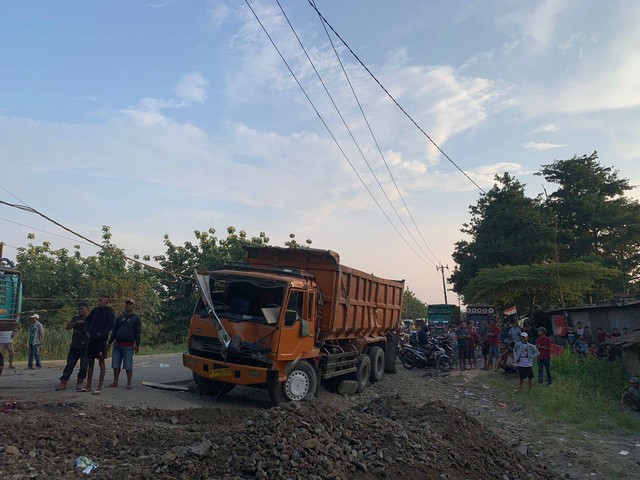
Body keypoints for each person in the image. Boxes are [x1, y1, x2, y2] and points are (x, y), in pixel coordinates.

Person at [56, 302, 91, 391]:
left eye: (82, 309)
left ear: (87, 309)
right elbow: (67, 326)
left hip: (86, 346)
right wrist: (76, 323)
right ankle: (63, 382)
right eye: (79, 309)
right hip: (75, 345)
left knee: (84, 366)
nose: (80, 310)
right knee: (69, 365)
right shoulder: (76, 318)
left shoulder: (91, 319)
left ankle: (80, 382)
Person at [107, 299, 141, 390]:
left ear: (133, 306)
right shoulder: (120, 317)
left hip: (128, 345)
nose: (128, 306)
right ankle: (115, 381)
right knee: (115, 364)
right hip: (117, 344)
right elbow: (114, 331)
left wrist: (137, 344)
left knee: (128, 364)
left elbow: (138, 332)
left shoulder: (136, 319)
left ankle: (129, 382)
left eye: (130, 304)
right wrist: (109, 342)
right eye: (127, 304)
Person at [85, 294, 115, 395]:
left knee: (101, 362)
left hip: (101, 340)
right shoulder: (95, 310)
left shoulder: (109, 311)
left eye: (102, 300)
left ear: (106, 302)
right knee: (90, 362)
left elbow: (111, 324)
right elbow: (87, 321)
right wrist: (88, 332)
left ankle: (99, 386)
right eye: (99, 300)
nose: (99, 302)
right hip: (92, 339)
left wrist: (102, 334)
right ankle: (88, 385)